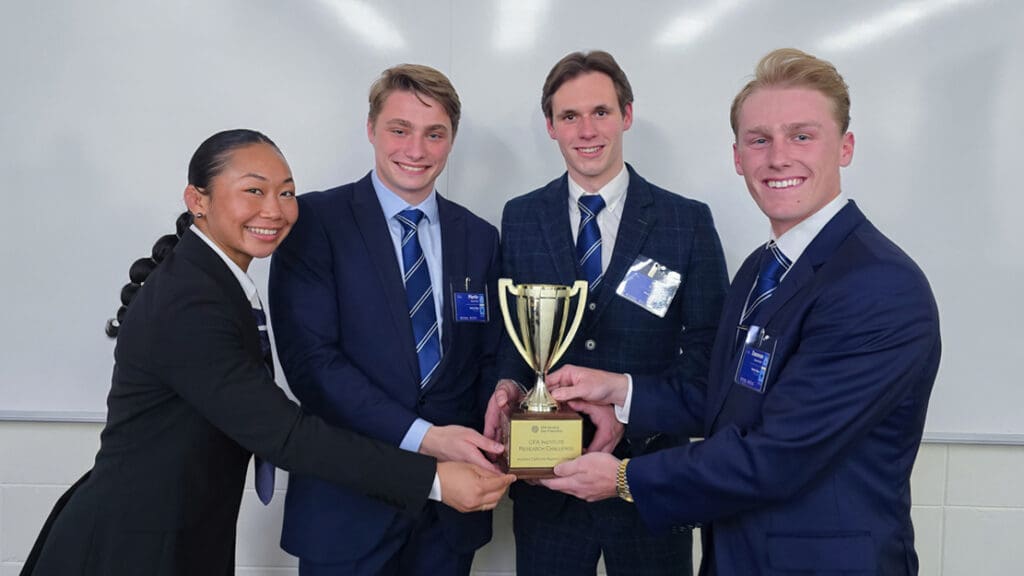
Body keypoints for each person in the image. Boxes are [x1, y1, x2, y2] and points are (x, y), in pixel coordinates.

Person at [20, 129, 513, 576]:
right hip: (130, 545)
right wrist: (433, 480)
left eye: (287, 192)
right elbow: (286, 435)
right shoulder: (191, 300)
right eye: (253, 190)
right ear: (198, 199)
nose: (274, 209)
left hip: (176, 532)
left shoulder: (215, 281)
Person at [542, 48, 942, 575]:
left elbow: (777, 454)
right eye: (760, 140)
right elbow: (725, 404)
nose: (778, 157)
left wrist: (622, 478)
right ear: (737, 157)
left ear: (845, 147)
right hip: (737, 554)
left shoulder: (878, 285)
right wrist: (617, 392)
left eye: (802, 136)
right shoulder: (761, 269)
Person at [482, 50, 729, 576]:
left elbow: (708, 352)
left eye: (601, 112)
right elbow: (514, 335)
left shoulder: (685, 222)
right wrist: (507, 384)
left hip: (649, 481)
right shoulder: (521, 216)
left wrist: (626, 413)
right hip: (548, 486)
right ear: (551, 126)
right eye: (569, 116)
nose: (587, 130)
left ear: (627, 115)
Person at [268, 64, 505, 576]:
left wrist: (501, 410)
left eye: (434, 134)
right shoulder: (314, 225)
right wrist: (428, 437)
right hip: (347, 508)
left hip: (449, 517)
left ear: (451, 140)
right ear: (372, 129)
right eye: (400, 130)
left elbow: (488, 355)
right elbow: (314, 366)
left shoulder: (480, 237)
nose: (416, 150)